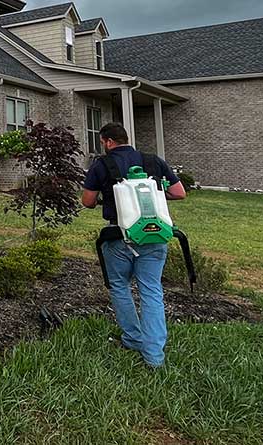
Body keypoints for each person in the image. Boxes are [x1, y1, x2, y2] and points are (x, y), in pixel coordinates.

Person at [81, 122, 186, 369]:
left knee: (120, 286)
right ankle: (154, 356)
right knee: (151, 291)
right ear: (126, 139)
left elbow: (87, 201)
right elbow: (180, 192)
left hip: (118, 236)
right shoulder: (153, 161)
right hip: (154, 236)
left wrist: (107, 198)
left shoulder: (102, 164)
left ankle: (132, 339)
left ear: (107, 142)